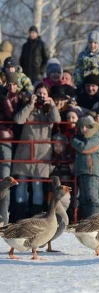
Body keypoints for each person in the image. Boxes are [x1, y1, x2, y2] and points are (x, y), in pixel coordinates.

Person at [11, 83, 61, 221]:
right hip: (25, 152)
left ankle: (35, 218)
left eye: (44, 94)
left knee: (37, 186)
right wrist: (30, 104)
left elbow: (57, 120)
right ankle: (19, 218)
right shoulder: (29, 108)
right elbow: (18, 120)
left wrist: (52, 105)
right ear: (34, 94)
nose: (41, 96)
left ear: (48, 96)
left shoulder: (49, 111)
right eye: (39, 93)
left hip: (42, 155)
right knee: (21, 185)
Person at [0, 72, 22, 225]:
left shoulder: (14, 97)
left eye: (13, 84)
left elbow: (12, 115)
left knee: (5, 180)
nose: (11, 86)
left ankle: (4, 218)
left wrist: (4, 98)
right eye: (9, 84)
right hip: (5, 136)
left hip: (6, 137)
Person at [71, 115, 99, 219]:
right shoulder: (82, 138)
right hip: (82, 170)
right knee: (83, 198)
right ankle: (86, 221)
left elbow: (84, 147)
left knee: (92, 197)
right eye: (81, 127)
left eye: (86, 127)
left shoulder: (96, 136)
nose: (83, 129)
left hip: (91, 170)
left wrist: (73, 141)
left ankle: (95, 220)